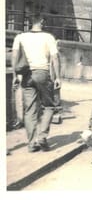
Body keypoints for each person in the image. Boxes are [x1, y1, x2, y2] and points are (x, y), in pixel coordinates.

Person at [11, 13, 61, 152]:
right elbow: (55, 58)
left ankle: (32, 143)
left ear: (30, 22)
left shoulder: (20, 37)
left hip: (26, 75)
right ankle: (42, 137)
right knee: (49, 106)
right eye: (44, 21)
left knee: (30, 110)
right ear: (42, 21)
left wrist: (16, 75)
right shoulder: (48, 37)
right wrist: (57, 78)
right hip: (42, 73)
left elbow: (14, 57)